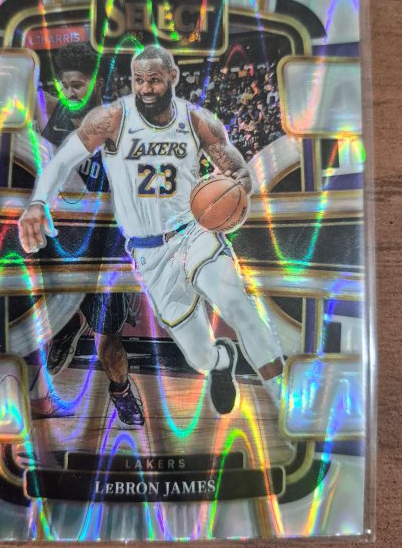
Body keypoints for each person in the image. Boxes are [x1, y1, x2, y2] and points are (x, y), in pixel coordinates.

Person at [19, 44, 286, 416]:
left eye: (154, 80)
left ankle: (286, 400)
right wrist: (38, 202)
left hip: (193, 234)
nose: (146, 88)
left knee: (238, 305)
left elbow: (233, 165)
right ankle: (221, 360)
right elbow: (63, 160)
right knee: (198, 355)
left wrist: (239, 179)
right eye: (139, 80)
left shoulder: (196, 120)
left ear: (172, 77)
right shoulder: (112, 119)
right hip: (149, 253)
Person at [27, 42, 144, 427]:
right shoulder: (54, 116)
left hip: (105, 247)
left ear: (95, 84)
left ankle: (121, 390)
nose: (69, 93)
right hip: (63, 241)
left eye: (76, 85)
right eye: (64, 85)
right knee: (40, 315)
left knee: (109, 343)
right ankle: (69, 324)